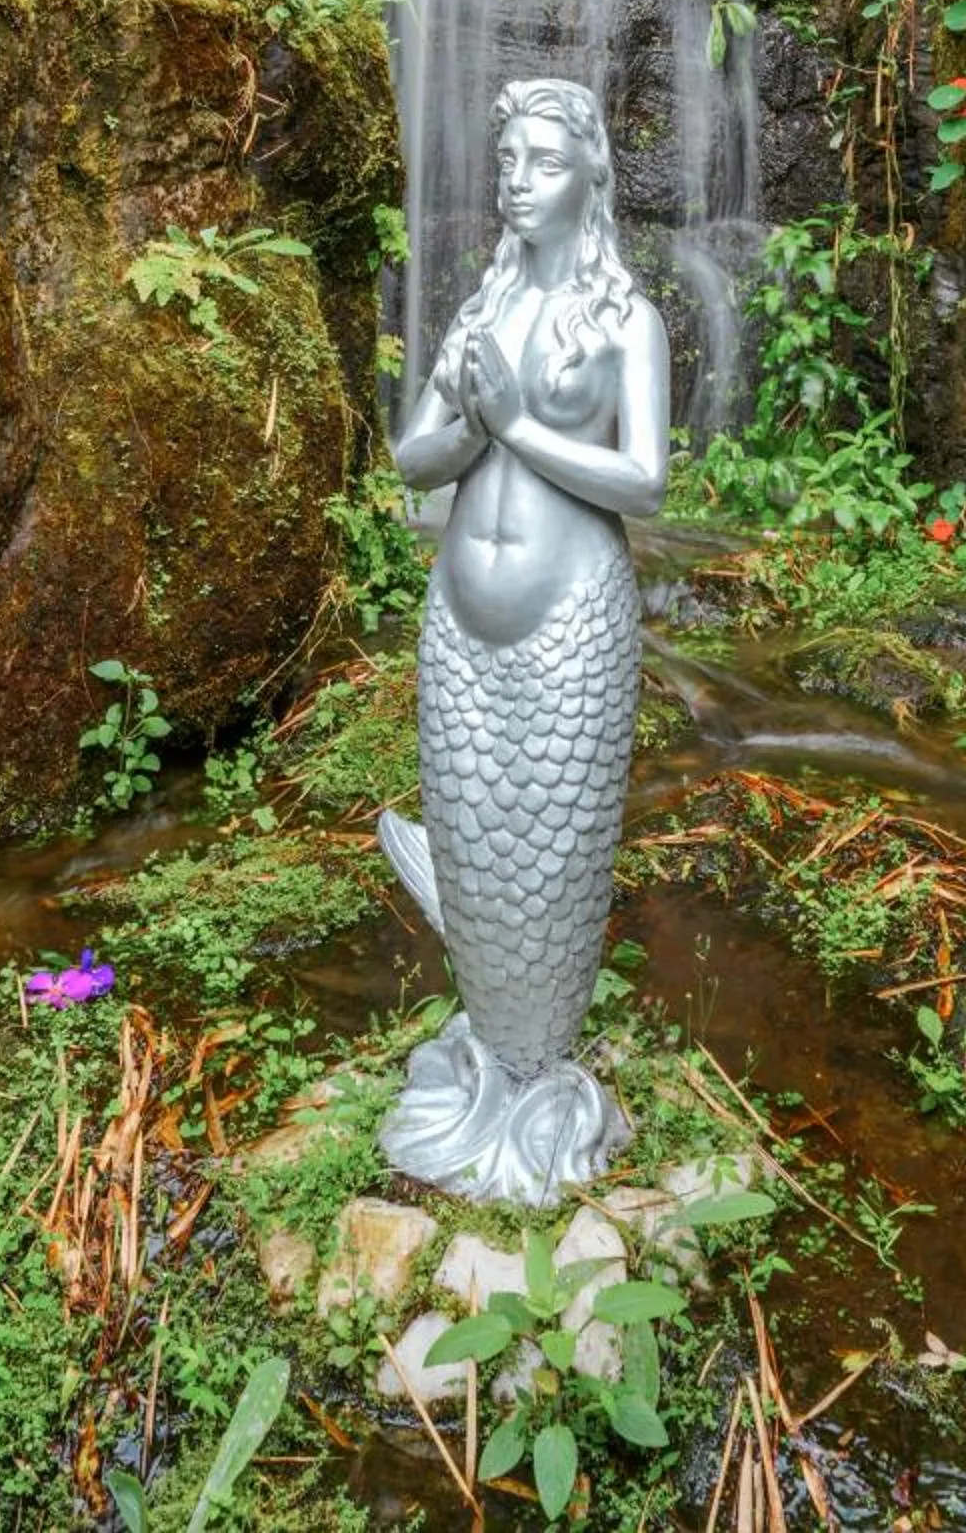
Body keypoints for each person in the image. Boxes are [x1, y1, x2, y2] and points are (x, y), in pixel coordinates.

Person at [379, 77, 669, 1202]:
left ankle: (539, 1085)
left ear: (591, 177)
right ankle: (488, 1070)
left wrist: (514, 425)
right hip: (459, 624)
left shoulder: (627, 322)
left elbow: (643, 482)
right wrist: (468, 424)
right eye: (507, 161)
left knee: (554, 855)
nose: (517, 181)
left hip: (572, 622)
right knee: (473, 838)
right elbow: (413, 461)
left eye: (543, 162)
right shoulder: (477, 314)